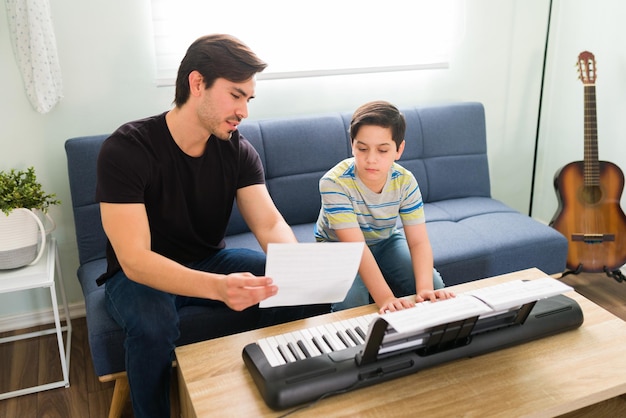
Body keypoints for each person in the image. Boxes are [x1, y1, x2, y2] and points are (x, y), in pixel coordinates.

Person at [95, 34, 325, 418]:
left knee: (294, 287)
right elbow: (134, 259)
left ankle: (267, 391)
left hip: (209, 259)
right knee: (154, 325)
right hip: (139, 277)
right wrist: (219, 288)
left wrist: (300, 270)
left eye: (248, 99)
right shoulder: (127, 149)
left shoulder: (237, 150)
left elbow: (268, 223)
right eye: (236, 95)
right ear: (197, 83)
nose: (244, 111)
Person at [315, 100, 455, 314]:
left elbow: (418, 242)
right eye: (362, 148)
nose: (371, 159)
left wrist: (425, 289)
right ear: (352, 144)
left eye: (382, 150)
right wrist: (386, 298)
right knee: (355, 300)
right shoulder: (334, 183)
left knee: (433, 286)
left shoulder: (405, 181)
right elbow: (356, 248)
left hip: (385, 239)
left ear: (399, 149)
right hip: (339, 248)